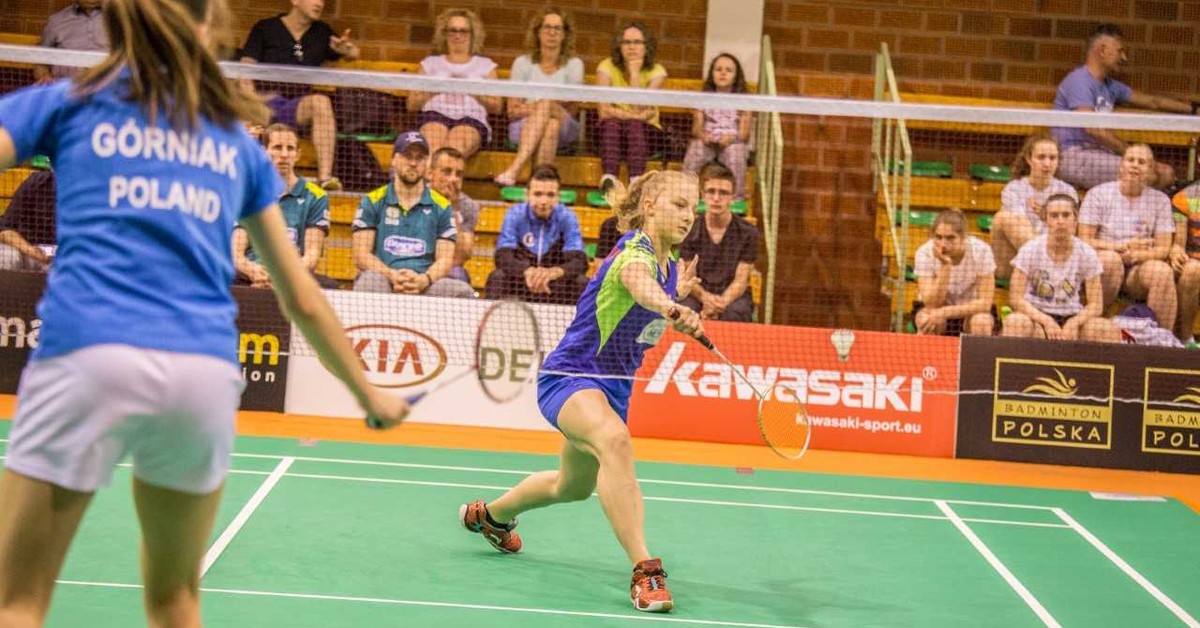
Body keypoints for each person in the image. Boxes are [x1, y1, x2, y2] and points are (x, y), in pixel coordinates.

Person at [0, 0, 409, 625]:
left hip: (89, 352)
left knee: (19, 601)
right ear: (207, 26)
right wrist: (370, 395)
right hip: (200, 374)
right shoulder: (232, 142)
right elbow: (301, 296)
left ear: (121, 21)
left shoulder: (69, 102)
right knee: (175, 600)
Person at [458, 170, 703, 613]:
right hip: (570, 377)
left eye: (693, 208)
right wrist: (670, 305)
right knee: (615, 441)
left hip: (612, 391)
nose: (689, 216)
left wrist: (674, 298)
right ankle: (645, 570)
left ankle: (489, 516)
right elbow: (638, 285)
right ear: (650, 207)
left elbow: (645, 315)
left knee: (570, 487)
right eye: (679, 205)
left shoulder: (669, 268)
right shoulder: (635, 254)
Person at [1050, 23, 1198, 190]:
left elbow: (1153, 101)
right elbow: (1092, 129)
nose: (1124, 57)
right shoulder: (1080, 81)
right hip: (1073, 155)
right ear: (1103, 50)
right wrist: (1131, 152)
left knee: (1167, 173)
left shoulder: (1110, 86)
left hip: (1100, 153)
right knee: (1148, 175)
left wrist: (1193, 109)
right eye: (1120, 51)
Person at [240, 0, 361, 191]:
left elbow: (353, 53)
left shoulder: (321, 32)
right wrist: (252, 104)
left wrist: (345, 50)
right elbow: (245, 69)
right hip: (265, 104)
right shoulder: (266, 28)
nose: (319, 3)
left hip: (295, 108)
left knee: (321, 102)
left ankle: (325, 179)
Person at [351, 132, 474, 297]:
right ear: (394, 160)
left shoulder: (443, 206)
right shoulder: (372, 201)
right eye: (407, 156)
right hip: (384, 277)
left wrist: (424, 279)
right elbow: (360, 255)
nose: (414, 163)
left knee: (461, 291)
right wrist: (392, 275)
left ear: (427, 163)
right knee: (370, 281)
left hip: (425, 284)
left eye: (420, 158)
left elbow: (445, 259)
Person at [1078, 144, 1177, 332]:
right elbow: (1084, 240)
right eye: (1130, 160)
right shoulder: (1098, 194)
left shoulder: (1160, 200)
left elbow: (1164, 248)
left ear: (1150, 171)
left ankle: (1160, 339)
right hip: (1103, 263)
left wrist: (1135, 256)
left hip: (1137, 269)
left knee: (1162, 272)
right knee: (1111, 260)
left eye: (1142, 162)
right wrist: (1122, 247)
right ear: (1121, 165)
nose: (1135, 165)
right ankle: (1094, 327)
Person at [1003, 195, 1120, 342]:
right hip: (1037, 317)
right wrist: (1046, 321)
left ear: (1075, 220)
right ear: (1046, 220)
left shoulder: (1087, 253)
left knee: (1106, 329)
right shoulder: (1030, 249)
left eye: (1066, 215)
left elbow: (1096, 305)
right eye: (1054, 216)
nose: (1060, 221)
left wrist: (1074, 323)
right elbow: (1015, 298)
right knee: (1015, 322)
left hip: (1071, 317)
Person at [233, 123, 336, 289]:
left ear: (298, 154)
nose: (284, 155)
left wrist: (284, 276)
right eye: (277, 147)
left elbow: (312, 254)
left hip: (293, 273)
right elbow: (236, 253)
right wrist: (252, 271)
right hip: (253, 273)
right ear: (264, 152)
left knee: (330, 286)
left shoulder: (316, 196)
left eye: (290, 148)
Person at [486, 164, 588, 304]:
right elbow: (502, 257)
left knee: (582, 282)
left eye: (550, 195)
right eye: (538, 194)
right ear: (527, 195)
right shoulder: (514, 214)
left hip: (555, 284)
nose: (544, 201)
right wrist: (527, 271)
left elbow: (580, 261)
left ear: (558, 197)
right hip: (522, 282)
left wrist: (554, 272)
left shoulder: (567, 217)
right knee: (497, 277)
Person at [407, 8, 501, 160]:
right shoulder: (430, 63)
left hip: (471, 119)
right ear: (444, 34)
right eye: (453, 30)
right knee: (433, 149)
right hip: (434, 115)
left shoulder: (486, 65)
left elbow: (496, 106)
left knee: (453, 151)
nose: (458, 35)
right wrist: (437, 88)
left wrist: (471, 89)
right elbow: (411, 104)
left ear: (472, 34)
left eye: (463, 31)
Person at [990, 134, 1078, 280]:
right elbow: (1019, 226)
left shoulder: (1067, 192)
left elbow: (1068, 234)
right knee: (1003, 217)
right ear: (1029, 159)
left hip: (1055, 254)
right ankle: (1047, 268)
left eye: (1052, 158)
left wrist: (1045, 216)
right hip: (1014, 261)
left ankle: (1047, 270)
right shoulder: (1013, 189)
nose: (1047, 164)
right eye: (1041, 157)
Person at [678, 165, 758, 322]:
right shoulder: (688, 229)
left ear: (733, 197)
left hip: (732, 297)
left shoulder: (748, 233)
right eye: (711, 191)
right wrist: (706, 299)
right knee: (684, 310)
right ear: (702, 194)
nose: (716, 198)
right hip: (697, 294)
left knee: (736, 313)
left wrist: (720, 304)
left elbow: (741, 280)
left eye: (723, 193)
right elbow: (689, 277)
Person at [595, 21, 667, 191]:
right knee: (612, 123)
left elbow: (640, 106)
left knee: (634, 125)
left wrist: (634, 74)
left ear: (647, 46)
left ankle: (636, 180)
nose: (632, 47)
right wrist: (636, 115)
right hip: (611, 134)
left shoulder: (658, 72)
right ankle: (609, 178)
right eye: (626, 42)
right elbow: (603, 111)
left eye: (637, 42)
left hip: (647, 136)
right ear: (619, 46)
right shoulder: (606, 67)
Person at [911, 210, 996, 336]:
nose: (943, 244)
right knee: (927, 320)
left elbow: (985, 303)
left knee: (981, 322)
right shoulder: (924, 253)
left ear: (963, 237)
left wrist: (946, 312)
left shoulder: (981, 251)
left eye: (950, 238)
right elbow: (931, 303)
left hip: (970, 311)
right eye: (938, 237)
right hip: (936, 310)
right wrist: (945, 266)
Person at [682, 54, 752, 201]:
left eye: (728, 70)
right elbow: (696, 129)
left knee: (736, 156)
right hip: (707, 140)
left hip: (733, 142)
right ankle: (686, 196)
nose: (723, 73)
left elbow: (744, 134)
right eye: (718, 69)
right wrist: (703, 136)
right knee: (695, 151)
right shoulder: (702, 97)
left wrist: (731, 138)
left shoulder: (744, 100)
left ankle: (737, 200)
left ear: (736, 76)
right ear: (712, 73)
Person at [426, 146, 479, 287]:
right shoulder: (415, 197)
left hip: (447, 267)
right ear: (430, 174)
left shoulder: (467, 206)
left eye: (459, 174)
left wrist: (452, 208)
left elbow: (460, 257)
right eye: (447, 172)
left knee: (458, 275)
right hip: (414, 263)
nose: (454, 179)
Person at [34, 0, 108, 83]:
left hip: (108, 85)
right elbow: (41, 62)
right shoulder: (56, 20)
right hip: (65, 85)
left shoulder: (117, 18)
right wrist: (45, 79)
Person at [0, 167, 56, 271]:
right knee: (6, 258)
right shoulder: (35, 183)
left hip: (68, 257)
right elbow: (5, 230)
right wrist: (30, 250)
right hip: (29, 251)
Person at [1170, 180, 1200, 344]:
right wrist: (1176, 250)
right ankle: (1186, 339)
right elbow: (1179, 243)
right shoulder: (1184, 198)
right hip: (1195, 260)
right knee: (1192, 271)